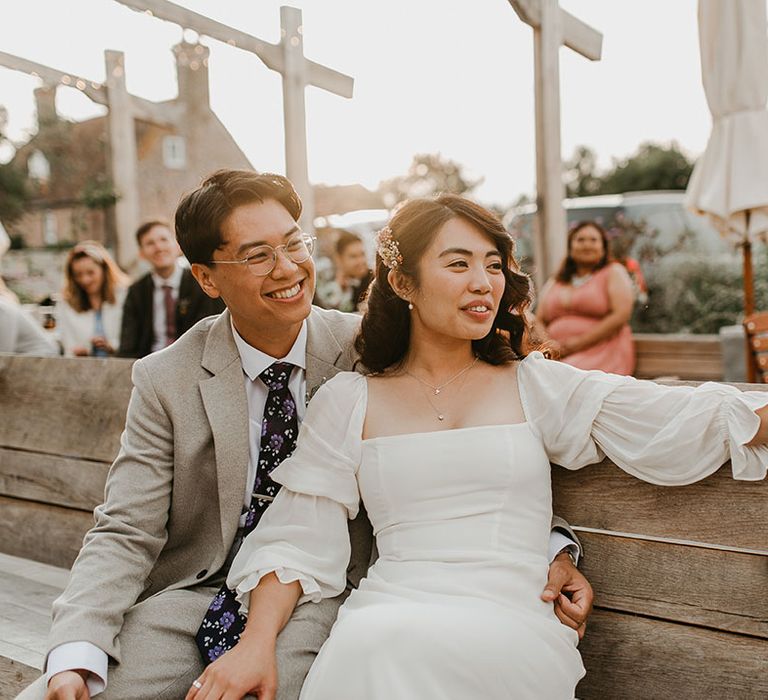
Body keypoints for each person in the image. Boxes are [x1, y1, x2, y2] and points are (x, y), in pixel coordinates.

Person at [28, 172, 588, 700]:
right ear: (206, 278)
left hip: (327, 592)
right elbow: (125, 526)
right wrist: (76, 647)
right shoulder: (166, 377)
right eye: (257, 255)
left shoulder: (372, 349)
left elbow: (469, 442)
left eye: (295, 244)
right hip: (195, 596)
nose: (288, 267)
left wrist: (551, 545)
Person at [189, 194, 768, 700]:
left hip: (512, 616)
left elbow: (686, 417)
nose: (483, 282)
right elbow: (297, 534)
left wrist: (560, 552)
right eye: (458, 263)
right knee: (374, 648)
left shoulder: (536, 384)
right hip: (389, 611)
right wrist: (254, 646)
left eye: (493, 264)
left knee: (460, 651)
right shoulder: (350, 399)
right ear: (403, 282)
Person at [536, 221, 635, 375]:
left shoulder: (613, 272)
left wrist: (575, 344)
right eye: (580, 240)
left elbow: (621, 315)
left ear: (603, 247)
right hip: (554, 354)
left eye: (593, 240)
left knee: (562, 376)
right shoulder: (557, 280)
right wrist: (549, 345)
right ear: (570, 247)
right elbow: (539, 319)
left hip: (602, 349)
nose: (587, 245)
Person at [118, 220, 225, 358]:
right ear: (141, 254)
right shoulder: (136, 292)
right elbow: (128, 342)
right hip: (150, 363)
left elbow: (213, 330)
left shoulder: (202, 282)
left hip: (194, 360)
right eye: (150, 243)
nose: (159, 247)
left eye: (164, 239)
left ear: (177, 246)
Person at [58, 241, 129, 357]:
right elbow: (68, 345)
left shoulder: (124, 295)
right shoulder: (66, 304)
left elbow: (133, 339)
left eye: (91, 273)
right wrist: (81, 351)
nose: (85, 280)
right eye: (78, 275)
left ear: (104, 270)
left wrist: (111, 346)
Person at [314, 230, 373, 312]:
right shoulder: (327, 282)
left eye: (362, 254)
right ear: (339, 259)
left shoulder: (374, 279)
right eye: (353, 256)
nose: (361, 261)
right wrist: (340, 289)